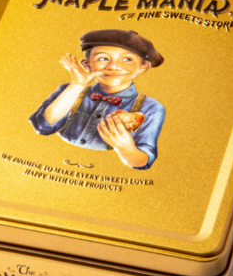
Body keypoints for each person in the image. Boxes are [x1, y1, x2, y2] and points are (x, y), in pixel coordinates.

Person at [29, 29, 166, 170]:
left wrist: (125, 148)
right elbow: (42, 127)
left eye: (127, 59)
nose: (113, 66)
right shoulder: (69, 90)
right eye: (103, 58)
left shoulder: (151, 108)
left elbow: (143, 161)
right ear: (87, 65)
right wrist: (78, 84)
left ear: (143, 66)